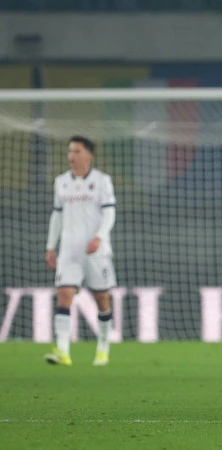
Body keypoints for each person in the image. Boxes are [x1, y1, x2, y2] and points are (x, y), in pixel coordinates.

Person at [44, 136, 117, 367]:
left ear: (89, 155)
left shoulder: (102, 181)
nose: (71, 156)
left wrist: (99, 237)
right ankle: (63, 352)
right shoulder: (61, 182)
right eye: (70, 151)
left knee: (102, 299)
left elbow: (109, 213)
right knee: (64, 294)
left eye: (76, 151)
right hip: (69, 251)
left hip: (96, 251)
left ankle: (103, 347)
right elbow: (57, 215)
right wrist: (50, 246)